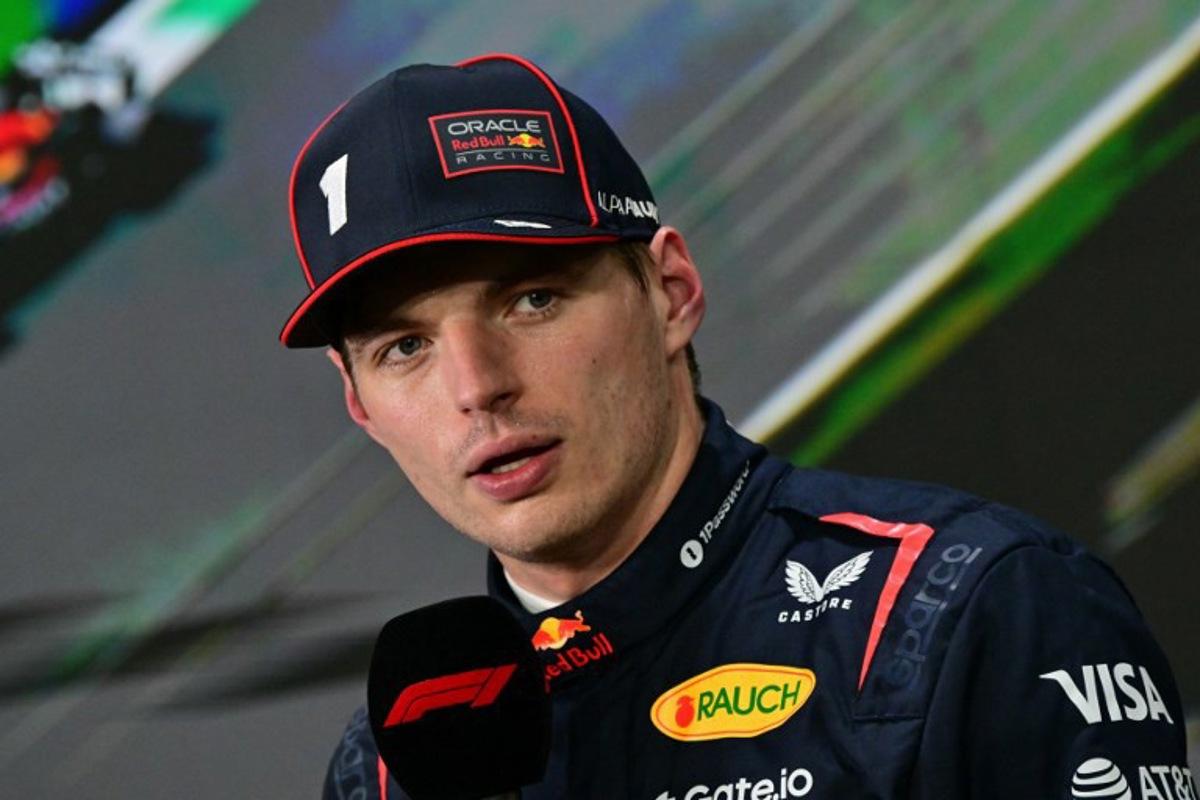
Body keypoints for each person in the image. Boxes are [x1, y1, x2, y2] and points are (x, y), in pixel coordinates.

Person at [280, 54, 1194, 800]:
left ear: (672, 294)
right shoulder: (387, 769)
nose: (477, 387)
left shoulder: (975, 605)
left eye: (533, 299)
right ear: (359, 402)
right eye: (405, 347)